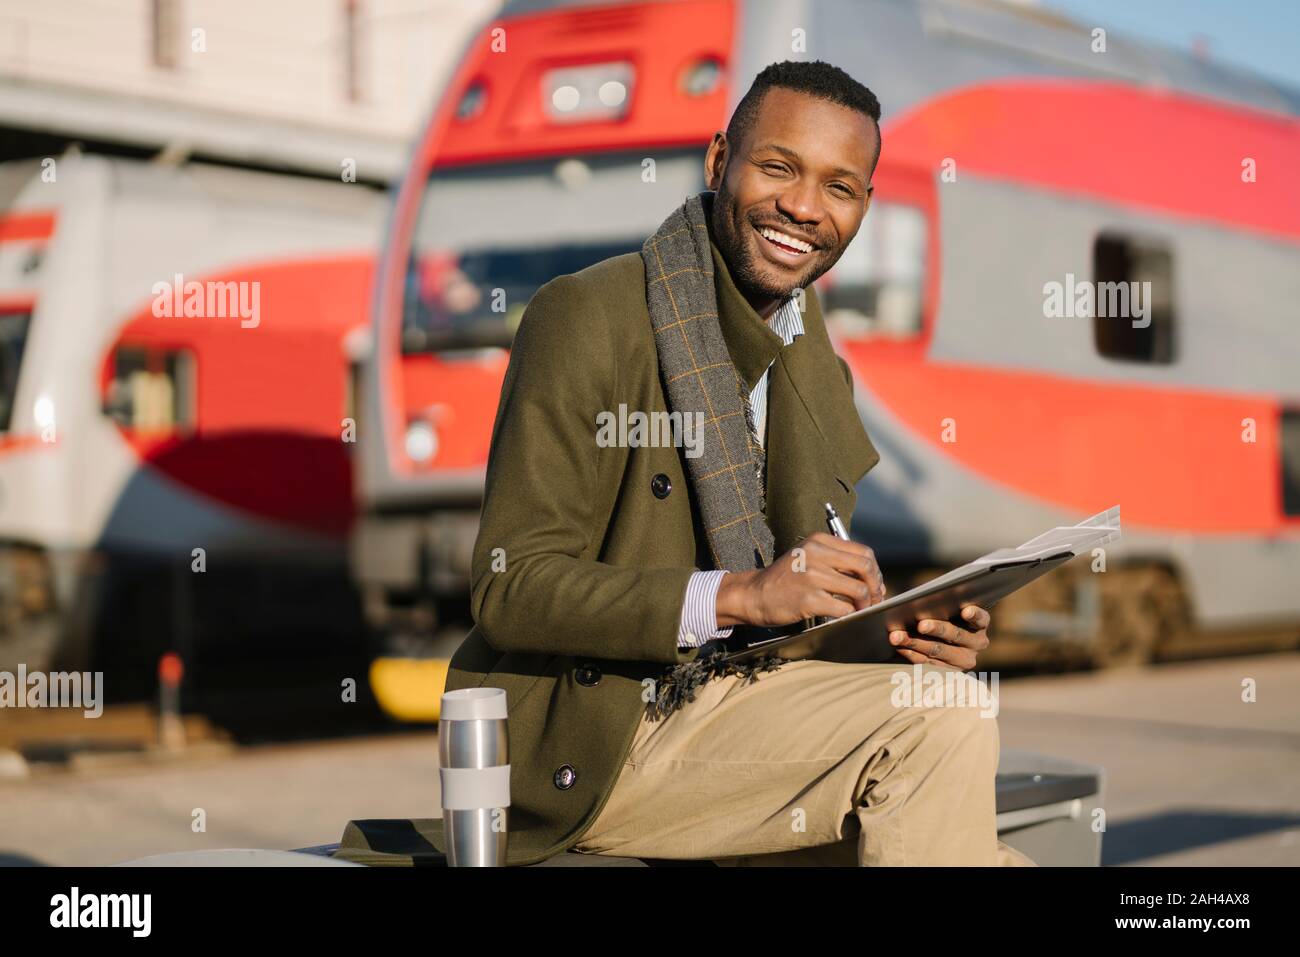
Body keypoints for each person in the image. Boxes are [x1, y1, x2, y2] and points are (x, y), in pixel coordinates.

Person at [444, 59, 1034, 866]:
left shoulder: (816, 362)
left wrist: (900, 636)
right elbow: (509, 586)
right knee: (941, 720)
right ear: (721, 161)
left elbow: (797, 611)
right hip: (603, 740)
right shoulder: (586, 315)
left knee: (957, 749)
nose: (803, 207)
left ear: (864, 205)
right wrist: (741, 594)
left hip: (743, 708)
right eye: (779, 167)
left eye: (840, 187)